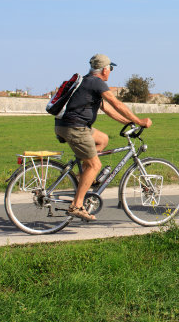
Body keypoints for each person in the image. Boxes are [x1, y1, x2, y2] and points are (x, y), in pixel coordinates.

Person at [54, 54, 152, 221]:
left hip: (67, 125)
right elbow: (116, 103)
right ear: (105, 69)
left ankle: (82, 177)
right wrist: (138, 120)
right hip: (75, 128)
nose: (110, 72)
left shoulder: (86, 82)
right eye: (110, 69)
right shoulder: (96, 82)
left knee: (102, 140)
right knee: (95, 165)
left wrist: (128, 122)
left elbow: (107, 108)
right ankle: (76, 205)